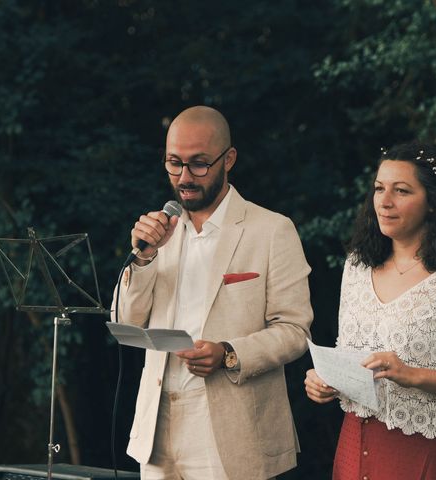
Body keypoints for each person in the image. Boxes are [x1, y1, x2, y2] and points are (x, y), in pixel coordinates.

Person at [112, 106, 313, 480]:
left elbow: (295, 331)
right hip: (157, 425)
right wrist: (144, 257)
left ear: (229, 159)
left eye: (199, 164)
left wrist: (229, 354)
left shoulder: (271, 230)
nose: (185, 177)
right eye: (174, 163)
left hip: (233, 428)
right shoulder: (158, 231)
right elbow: (127, 323)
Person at [304, 142, 436, 479]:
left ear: (433, 203)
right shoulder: (357, 266)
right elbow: (351, 353)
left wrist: (413, 375)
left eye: (401, 191)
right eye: (379, 188)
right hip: (355, 444)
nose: (384, 202)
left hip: (426, 453)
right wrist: (326, 380)